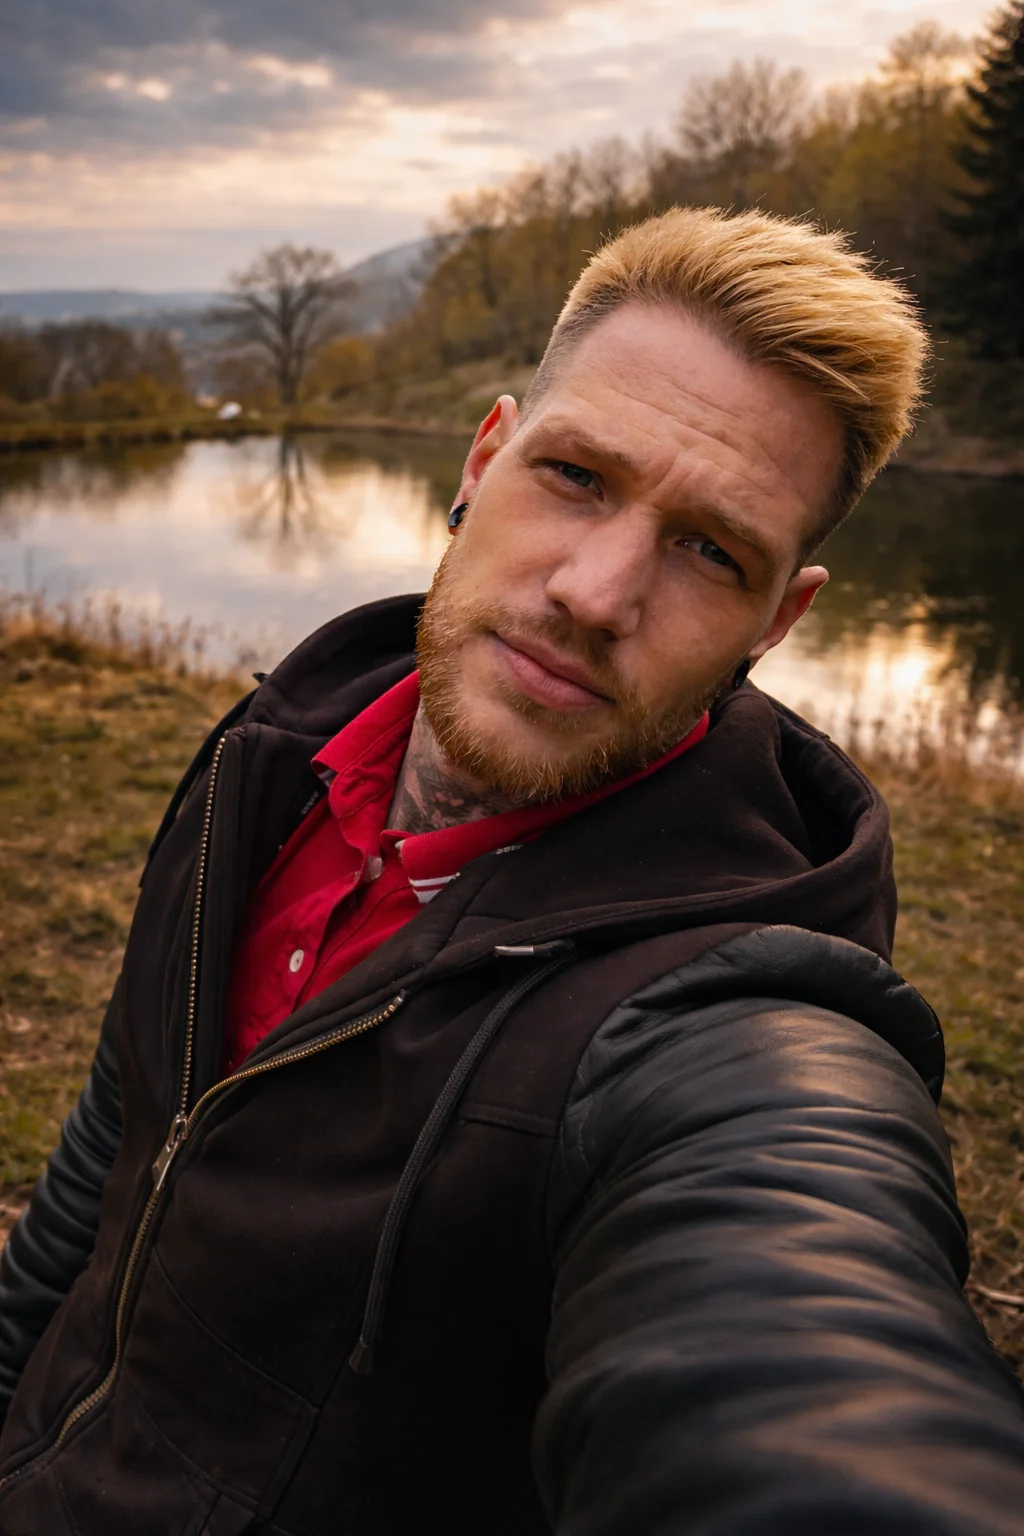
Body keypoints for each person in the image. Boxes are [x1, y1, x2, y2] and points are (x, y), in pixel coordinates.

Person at [1, 206, 1023, 1536]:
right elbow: (116, 1149)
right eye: (578, 476)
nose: (597, 592)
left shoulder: (723, 1029)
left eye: (711, 550)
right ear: (484, 460)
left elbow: (802, 1328)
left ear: (777, 622)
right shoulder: (267, 763)